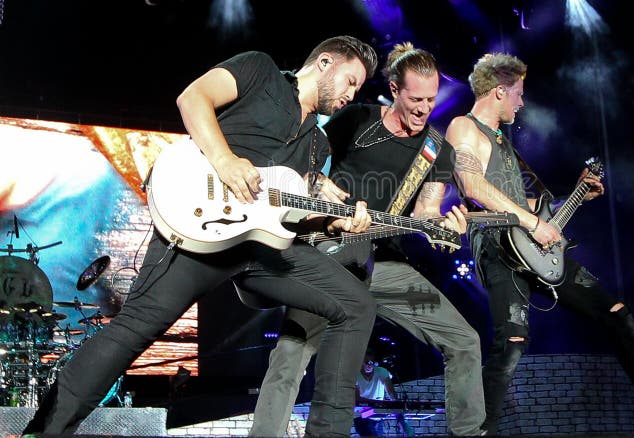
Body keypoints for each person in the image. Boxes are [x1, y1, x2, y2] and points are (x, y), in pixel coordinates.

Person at [22, 36, 381, 438]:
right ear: (325, 62)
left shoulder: (319, 144)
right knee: (135, 330)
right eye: (350, 81)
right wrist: (225, 160)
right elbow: (192, 98)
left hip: (259, 251)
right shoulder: (259, 70)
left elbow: (288, 218)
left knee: (356, 305)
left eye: (357, 88)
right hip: (200, 225)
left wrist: (332, 223)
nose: (352, 94)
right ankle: (44, 431)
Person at [444, 52, 634, 434]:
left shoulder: (503, 143)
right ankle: (478, 431)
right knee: (512, 342)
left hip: (537, 246)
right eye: (518, 93)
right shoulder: (463, 128)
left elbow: (527, 205)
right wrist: (534, 221)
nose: (522, 101)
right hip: (498, 248)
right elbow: (472, 186)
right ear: (499, 91)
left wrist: (576, 196)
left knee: (616, 314)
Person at [249, 43, 486, 437]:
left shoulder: (436, 150)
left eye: (431, 99)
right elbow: (307, 165)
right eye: (416, 98)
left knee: (464, 340)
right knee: (291, 353)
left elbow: (426, 213)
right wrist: (320, 193)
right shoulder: (356, 119)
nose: (425, 108)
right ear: (394, 90)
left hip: (386, 268)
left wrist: (443, 228)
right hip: (331, 253)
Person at [353, 348, 399, 437]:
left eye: (372, 362)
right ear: (361, 362)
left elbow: (390, 391)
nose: (370, 365)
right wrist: (377, 403)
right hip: (361, 415)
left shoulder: (381, 371)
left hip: (377, 415)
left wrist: (395, 403)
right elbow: (357, 399)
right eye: (367, 362)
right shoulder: (355, 375)